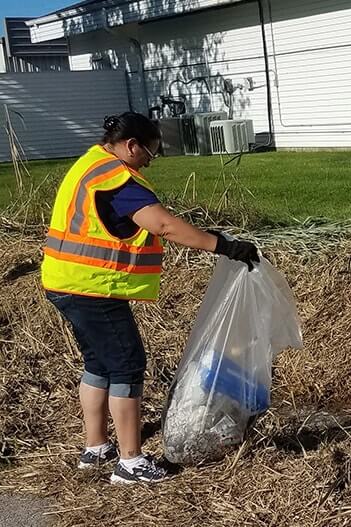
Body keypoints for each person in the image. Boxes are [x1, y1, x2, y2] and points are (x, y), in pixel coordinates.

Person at [41, 112, 260, 484]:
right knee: (127, 365)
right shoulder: (118, 180)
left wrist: (208, 237)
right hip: (94, 286)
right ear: (131, 146)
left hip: (65, 281)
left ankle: (95, 448)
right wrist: (223, 246)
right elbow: (163, 225)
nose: (149, 161)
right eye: (150, 153)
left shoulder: (91, 163)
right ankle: (131, 462)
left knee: (100, 364)